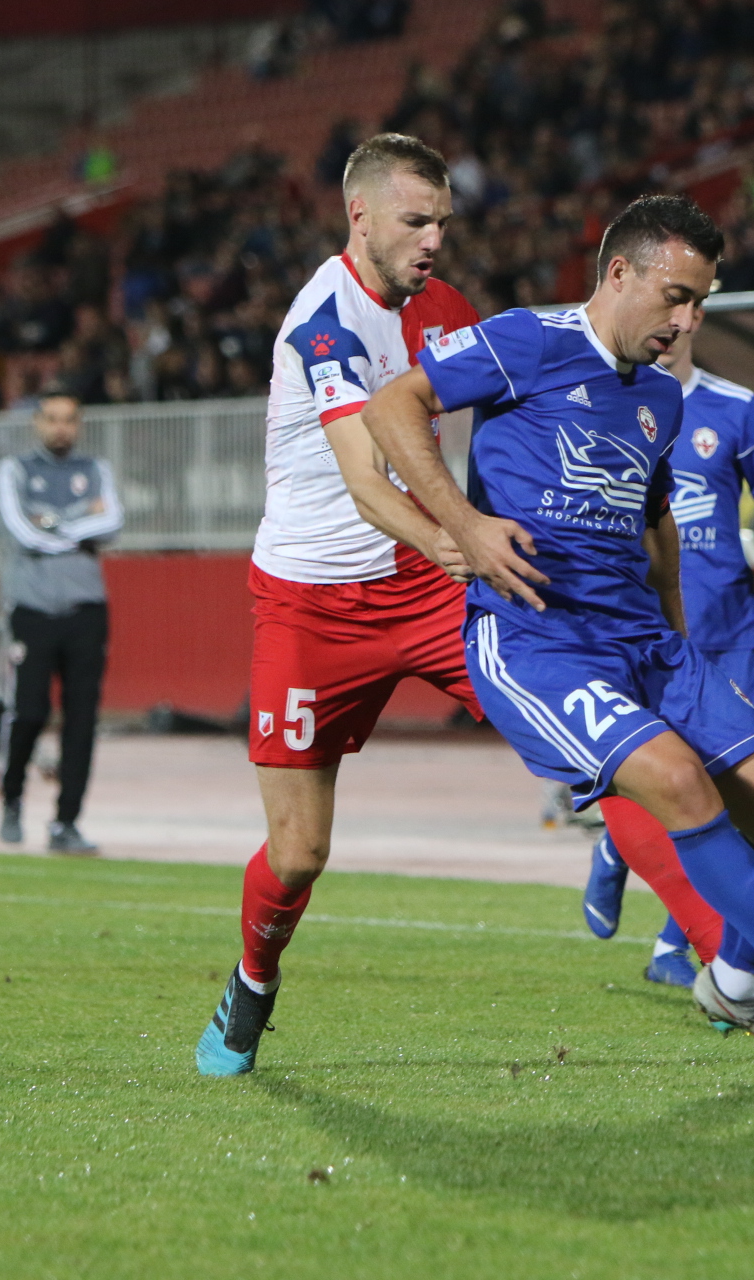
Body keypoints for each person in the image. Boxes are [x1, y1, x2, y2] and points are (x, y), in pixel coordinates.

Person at [360, 193, 754, 1046]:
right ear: (619, 273)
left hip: (648, 641)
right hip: (538, 638)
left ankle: (735, 982)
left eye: (703, 301)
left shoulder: (661, 399)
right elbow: (391, 408)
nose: (689, 318)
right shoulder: (529, 340)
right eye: (677, 296)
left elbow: (656, 517)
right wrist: (464, 527)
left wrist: (675, 628)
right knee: (675, 780)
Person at [194, 134, 484, 1077]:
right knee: (301, 852)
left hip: (425, 588)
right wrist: (462, 538)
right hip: (310, 607)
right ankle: (252, 981)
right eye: (415, 220)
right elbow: (367, 484)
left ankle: (736, 969)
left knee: (586, 732)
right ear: (358, 215)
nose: (434, 238)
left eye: (443, 219)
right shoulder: (322, 322)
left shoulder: (448, 311)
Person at [581, 297, 754, 989]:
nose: (672, 324)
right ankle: (628, 859)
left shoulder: (736, 406)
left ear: (696, 322)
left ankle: (678, 948)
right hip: (650, 634)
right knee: (685, 791)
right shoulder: (611, 402)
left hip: (733, 636)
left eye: (686, 309)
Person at [0, 391, 122, 855]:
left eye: (69, 419)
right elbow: (21, 531)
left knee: (83, 720)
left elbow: (113, 522)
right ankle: (11, 799)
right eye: (51, 419)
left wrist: (51, 524)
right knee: (28, 711)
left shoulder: (95, 470)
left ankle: (65, 822)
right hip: (32, 608)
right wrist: (76, 524)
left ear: (79, 423)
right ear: (37, 422)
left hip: (87, 609)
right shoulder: (15, 470)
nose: (60, 428)